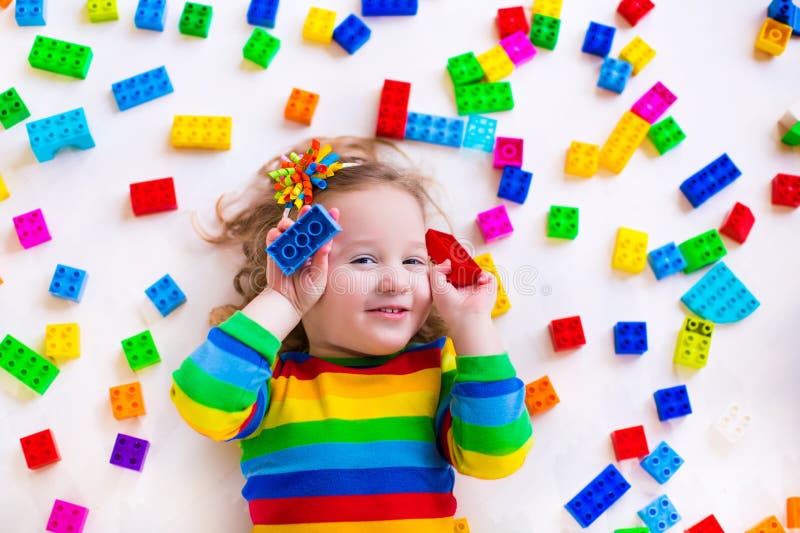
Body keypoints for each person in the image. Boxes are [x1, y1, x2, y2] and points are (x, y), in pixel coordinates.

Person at [170, 136, 533, 532]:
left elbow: (497, 455)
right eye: (364, 259)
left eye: (413, 259)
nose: (396, 280)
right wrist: (283, 301)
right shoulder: (272, 382)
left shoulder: (435, 372)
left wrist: (472, 325)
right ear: (300, 264)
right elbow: (202, 401)